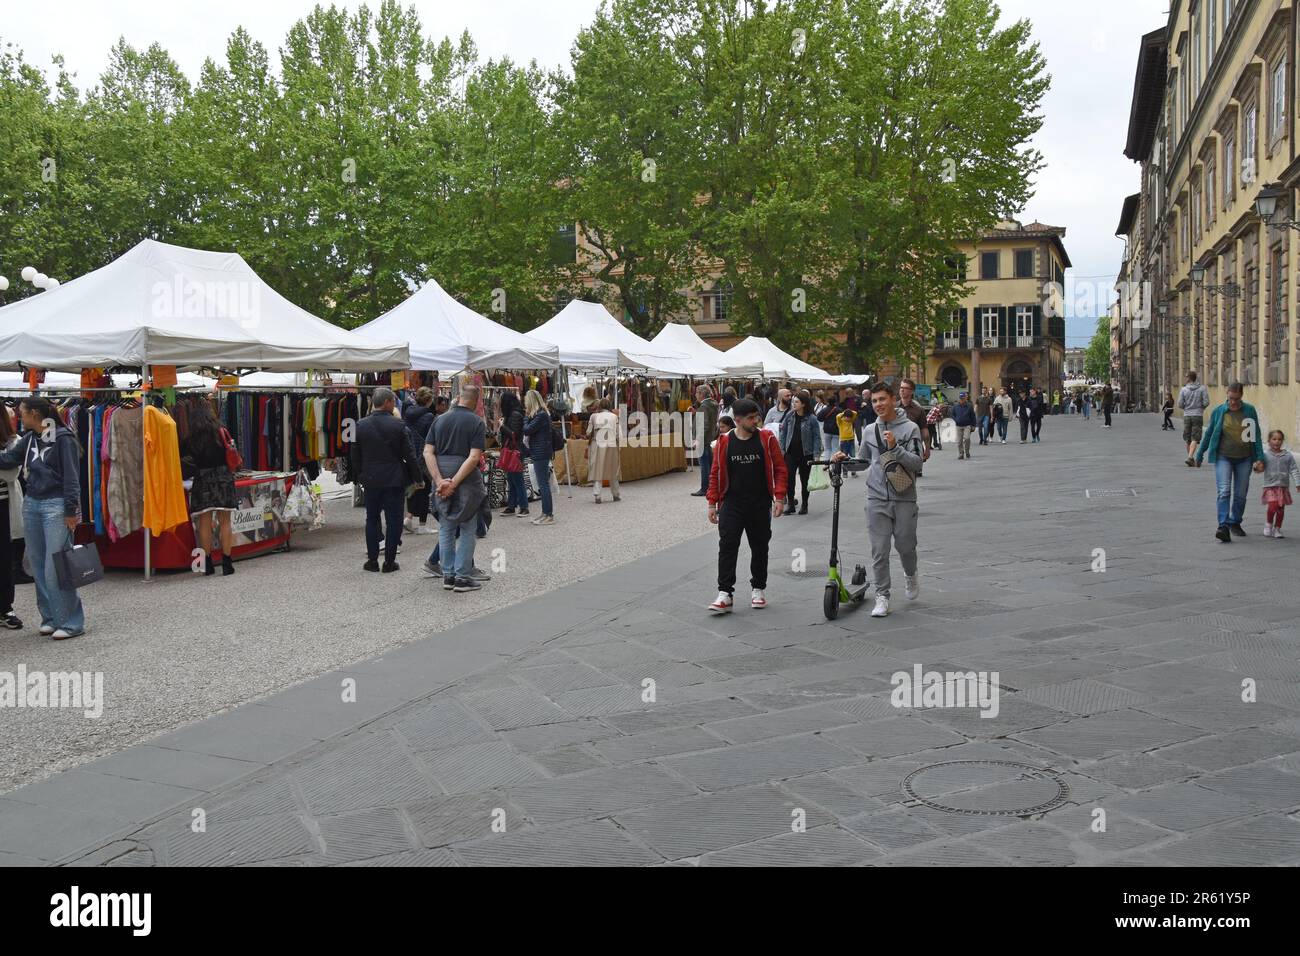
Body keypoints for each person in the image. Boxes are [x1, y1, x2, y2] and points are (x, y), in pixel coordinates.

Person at [831, 381, 923, 618]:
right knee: (879, 551)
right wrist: (844, 458)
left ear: (892, 399)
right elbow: (863, 460)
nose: (878, 404)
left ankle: (910, 575)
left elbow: (917, 462)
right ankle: (883, 595)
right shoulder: (870, 430)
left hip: (904, 496)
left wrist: (895, 448)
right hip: (876, 496)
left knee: (905, 546)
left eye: (882, 399)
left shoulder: (910, 427)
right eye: (874, 401)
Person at [0, 396, 84, 638]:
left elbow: (71, 478)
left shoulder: (63, 439)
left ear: (35, 415)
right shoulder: (29, 440)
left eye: (22, 412)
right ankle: (50, 617)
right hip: (33, 504)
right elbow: (7, 460)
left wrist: (71, 510)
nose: (19, 416)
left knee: (54, 567)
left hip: (56, 505)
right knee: (37, 565)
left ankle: (71, 622)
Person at [706, 398, 786, 613]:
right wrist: (712, 502)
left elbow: (780, 469)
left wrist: (779, 497)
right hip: (731, 503)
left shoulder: (767, 438)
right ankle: (725, 593)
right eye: (751, 418)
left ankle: (758, 588)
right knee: (727, 545)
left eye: (757, 416)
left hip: (759, 502)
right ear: (738, 420)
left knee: (760, 547)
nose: (756, 421)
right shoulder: (724, 441)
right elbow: (715, 473)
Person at [424, 383, 488, 590]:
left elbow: (427, 452)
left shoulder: (439, 420)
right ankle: (462, 575)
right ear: (476, 401)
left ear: (458, 397)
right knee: (468, 526)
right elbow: (474, 457)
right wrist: (455, 481)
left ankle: (448, 574)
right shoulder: (476, 422)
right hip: (465, 477)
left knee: (446, 527)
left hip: (441, 471)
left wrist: (440, 480)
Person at [350, 387, 412, 573]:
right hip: (394, 479)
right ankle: (389, 561)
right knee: (394, 520)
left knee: (372, 519)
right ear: (387, 403)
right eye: (393, 401)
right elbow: (409, 455)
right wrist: (416, 477)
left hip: (370, 479)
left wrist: (360, 475)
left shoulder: (359, 425)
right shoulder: (399, 425)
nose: (394, 404)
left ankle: (372, 560)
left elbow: (354, 455)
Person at [1195, 382, 1265, 542]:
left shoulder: (1249, 410)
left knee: (1240, 495)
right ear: (1227, 393)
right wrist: (1199, 454)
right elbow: (1209, 433)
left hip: (1245, 458)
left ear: (1241, 396)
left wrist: (1259, 457)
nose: (1233, 402)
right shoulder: (1219, 411)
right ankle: (1223, 526)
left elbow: (1256, 436)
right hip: (1223, 457)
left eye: (1236, 398)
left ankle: (1235, 522)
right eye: (1231, 398)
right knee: (1224, 490)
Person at [183, 402, 238, 576]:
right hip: (223, 478)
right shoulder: (221, 431)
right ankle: (227, 563)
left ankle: (207, 563)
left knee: (204, 524)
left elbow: (183, 458)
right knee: (225, 522)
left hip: (203, 480)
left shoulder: (191, 438)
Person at [779, 390, 822, 516]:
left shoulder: (812, 419)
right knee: (789, 478)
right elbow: (783, 433)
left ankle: (804, 504)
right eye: (793, 401)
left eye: (796, 402)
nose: (793, 404)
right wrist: (782, 449)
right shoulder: (789, 416)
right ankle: (791, 504)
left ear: (803, 404)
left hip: (806, 454)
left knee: (805, 480)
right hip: (790, 453)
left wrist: (816, 453)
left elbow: (817, 437)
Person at [0, 407, 22, 629]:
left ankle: (5, 607)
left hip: (3, 505)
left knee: (4, 559)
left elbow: (11, 473)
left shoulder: (14, 440)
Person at [402, 387, 436, 534]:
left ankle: (408, 518)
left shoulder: (407, 413)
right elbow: (432, 439)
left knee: (414, 486)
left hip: (410, 455)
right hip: (423, 456)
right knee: (425, 488)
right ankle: (422, 525)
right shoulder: (429, 417)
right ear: (429, 401)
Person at [522, 389, 555, 525]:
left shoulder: (540, 415)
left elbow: (527, 429)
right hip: (540, 451)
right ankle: (545, 513)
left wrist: (525, 418)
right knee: (542, 483)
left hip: (540, 452)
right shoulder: (540, 414)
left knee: (543, 484)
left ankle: (548, 514)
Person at [1261, 430, 1300, 538]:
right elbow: (1259, 466)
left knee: (1280, 508)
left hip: (1283, 487)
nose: (1277, 441)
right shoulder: (1265, 455)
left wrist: (1297, 482)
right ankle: (1268, 524)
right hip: (1270, 486)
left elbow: (1294, 469)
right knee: (1273, 505)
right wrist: (1257, 466)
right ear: (1269, 441)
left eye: (1279, 439)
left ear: (1282, 441)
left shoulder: (1287, 456)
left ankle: (1277, 529)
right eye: (1274, 439)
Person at [497, 391, 528, 517]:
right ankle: (512, 506)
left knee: (517, 479)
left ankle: (524, 507)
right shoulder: (514, 414)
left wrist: (502, 426)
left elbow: (514, 434)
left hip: (515, 451)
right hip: (513, 450)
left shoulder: (515, 415)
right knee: (512, 479)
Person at [588, 397, 621, 503]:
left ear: (599, 406)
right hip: (611, 444)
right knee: (613, 470)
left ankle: (597, 495)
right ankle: (616, 494)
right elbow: (618, 434)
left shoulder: (593, 416)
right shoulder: (614, 417)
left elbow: (588, 432)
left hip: (597, 445)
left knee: (598, 469)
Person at [1178, 370, 1210, 466]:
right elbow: (1206, 402)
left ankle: (1190, 457)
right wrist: (1201, 408)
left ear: (1188, 378)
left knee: (1188, 438)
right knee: (1195, 437)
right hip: (1197, 415)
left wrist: (1186, 408)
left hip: (1187, 415)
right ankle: (1190, 457)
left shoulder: (1183, 389)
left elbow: (1180, 404)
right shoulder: (1202, 388)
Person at [692, 384, 719, 498]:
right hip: (710, 438)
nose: (695, 395)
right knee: (709, 464)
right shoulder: (713, 404)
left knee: (704, 465)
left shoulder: (704, 407)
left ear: (702, 394)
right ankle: (710, 487)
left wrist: (698, 439)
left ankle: (704, 488)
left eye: (697, 393)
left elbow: (704, 424)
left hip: (703, 440)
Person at [952, 392, 977, 459]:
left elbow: (973, 416)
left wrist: (974, 425)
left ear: (966, 398)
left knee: (967, 438)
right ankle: (961, 453)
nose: (962, 400)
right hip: (958, 425)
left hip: (967, 425)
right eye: (960, 398)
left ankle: (967, 451)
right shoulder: (955, 406)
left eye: (963, 398)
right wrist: (956, 420)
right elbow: (952, 414)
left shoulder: (969, 406)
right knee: (959, 441)